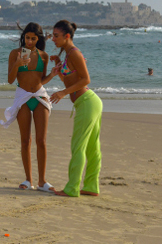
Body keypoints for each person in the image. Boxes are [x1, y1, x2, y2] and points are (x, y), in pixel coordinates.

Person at [49, 20, 102, 197]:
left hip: (87, 102)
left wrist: (62, 93)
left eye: (56, 36)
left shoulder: (74, 53)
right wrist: (58, 66)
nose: (52, 39)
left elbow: (86, 80)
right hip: (88, 103)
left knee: (78, 147)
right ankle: (91, 187)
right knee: (92, 148)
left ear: (67, 36)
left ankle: (72, 188)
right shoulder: (67, 54)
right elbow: (72, 80)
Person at [2, 22, 54, 192]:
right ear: (23, 37)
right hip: (23, 97)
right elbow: (10, 80)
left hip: (39, 96)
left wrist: (52, 75)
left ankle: (42, 182)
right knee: (26, 140)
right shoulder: (15, 54)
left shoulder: (44, 56)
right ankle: (28, 180)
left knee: (42, 141)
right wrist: (17, 64)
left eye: (33, 38)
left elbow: (41, 80)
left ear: (38, 39)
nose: (29, 41)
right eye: (27, 38)